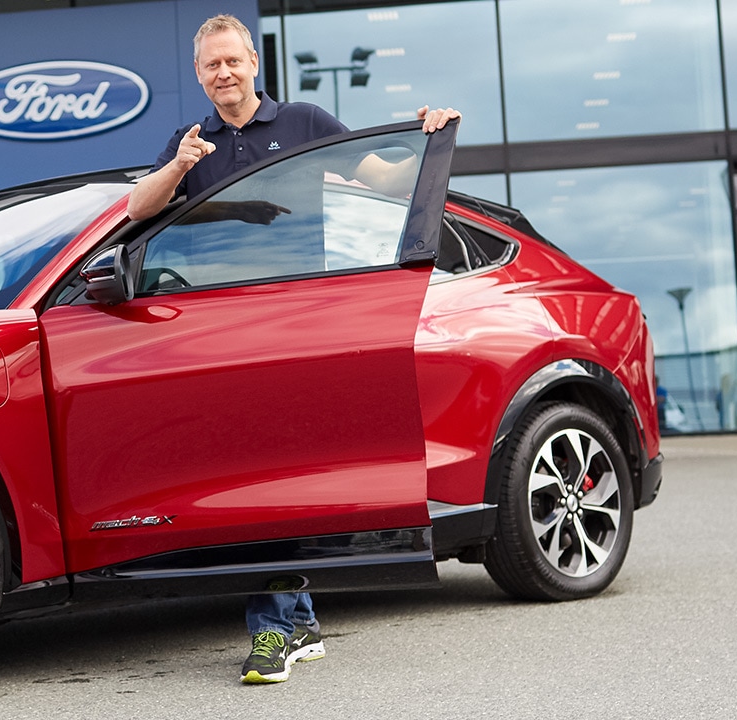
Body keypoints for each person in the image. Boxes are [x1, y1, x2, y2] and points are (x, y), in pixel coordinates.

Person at [128, 13, 459, 685]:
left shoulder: (304, 122)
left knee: (273, 478)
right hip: (218, 330)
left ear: (254, 64)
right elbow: (138, 210)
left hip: (299, 321)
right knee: (253, 479)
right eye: (211, 65)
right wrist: (181, 166)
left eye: (233, 61)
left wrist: (427, 138)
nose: (224, 73)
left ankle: (276, 628)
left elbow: (383, 179)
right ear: (199, 75)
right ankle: (295, 617)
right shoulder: (190, 140)